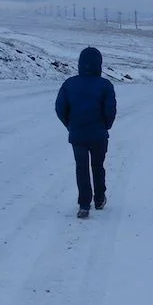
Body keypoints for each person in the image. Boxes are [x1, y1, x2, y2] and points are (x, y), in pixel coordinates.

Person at [55, 46, 117, 217]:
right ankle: (99, 199)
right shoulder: (105, 85)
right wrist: (106, 125)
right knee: (98, 166)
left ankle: (84, 205)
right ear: (99, 64)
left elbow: (60, 108)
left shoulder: (69, 84)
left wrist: (70, 125)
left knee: (81, 168)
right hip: (99, 134)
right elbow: (110, 110)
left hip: (77, 134)